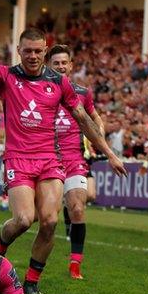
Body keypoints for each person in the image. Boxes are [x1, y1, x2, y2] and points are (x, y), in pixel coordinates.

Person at [0, 0, 126, 294]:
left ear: (45, 50)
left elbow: (83, 120)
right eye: (27, 51)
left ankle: (30, 283)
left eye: (38, 51)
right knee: (22, 220)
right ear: (18, 51)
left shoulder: (59, 83)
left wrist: (109, 153)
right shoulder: (7, 76)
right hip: (18, 157)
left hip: (49, 159)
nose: (32, 56)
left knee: (51, 220)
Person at [47, 44, 104, 279]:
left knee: (79, 207)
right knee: (45, 218)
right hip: (48, 157)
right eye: (56, 63)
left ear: (70, 65)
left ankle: (74, 266)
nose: (60, 66)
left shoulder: (82, 92)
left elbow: (94, 117)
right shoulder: (40, 89)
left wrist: (98, 135)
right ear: (48, 66)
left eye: (64, 63)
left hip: (75, 158)